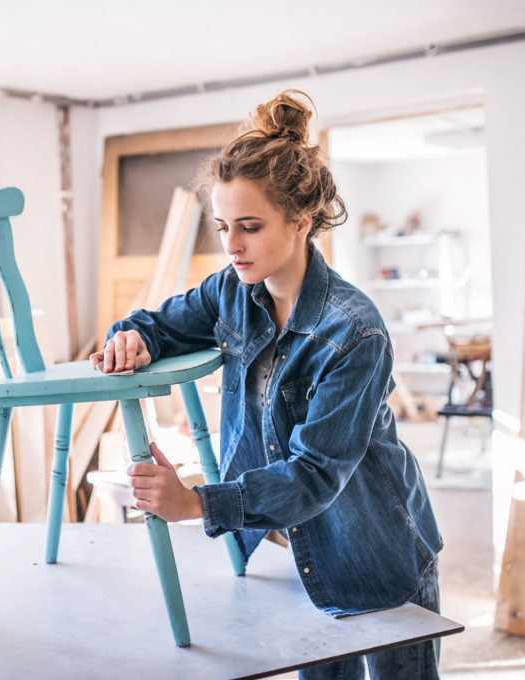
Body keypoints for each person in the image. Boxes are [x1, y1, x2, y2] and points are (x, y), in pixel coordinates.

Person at [90, 89, 443, 679]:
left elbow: (313, 476)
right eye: (223, 226)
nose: (231, 245)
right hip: (297, 557)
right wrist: (132, 336)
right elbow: (158, 323)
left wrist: (195, 502)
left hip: (376, 551)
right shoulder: (230, 290)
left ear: (302, 222)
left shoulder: (354, 333)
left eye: (250, 227)